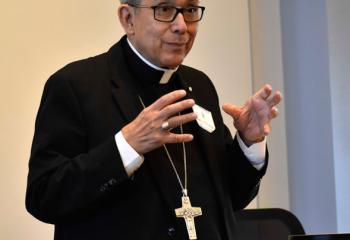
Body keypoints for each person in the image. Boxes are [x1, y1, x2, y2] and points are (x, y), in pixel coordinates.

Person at [25, 0, 282, 239]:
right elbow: (43, 197)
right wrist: (126, 146)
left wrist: (249, 143)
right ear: (128, 18)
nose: (182, 26)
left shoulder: (199, 85)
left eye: (190, 10)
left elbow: (231, 198)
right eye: (165, 9)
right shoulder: (75, 85)